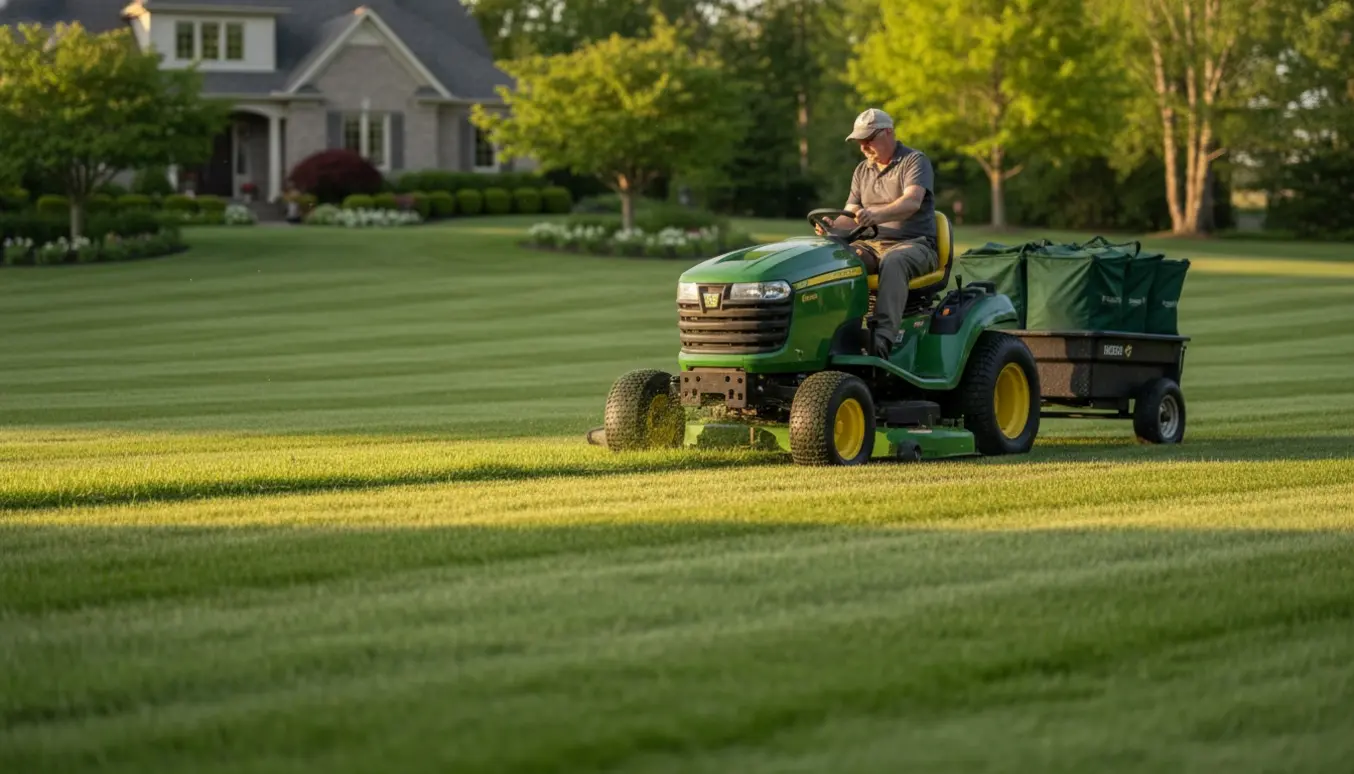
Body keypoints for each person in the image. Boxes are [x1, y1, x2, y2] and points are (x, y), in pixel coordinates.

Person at [817, 108, 938, 358]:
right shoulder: (862, 170)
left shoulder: (915, 161)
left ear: (889, 133)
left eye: (869, 139)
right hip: (872, 245)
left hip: (915, 245)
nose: (863, 147)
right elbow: (850, 214)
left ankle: (881, 341)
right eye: (860, 141)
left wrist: (875, 214)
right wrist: (832, 226)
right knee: (838, 260)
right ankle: (834, 333)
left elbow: (912, 202)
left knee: (894, 262)